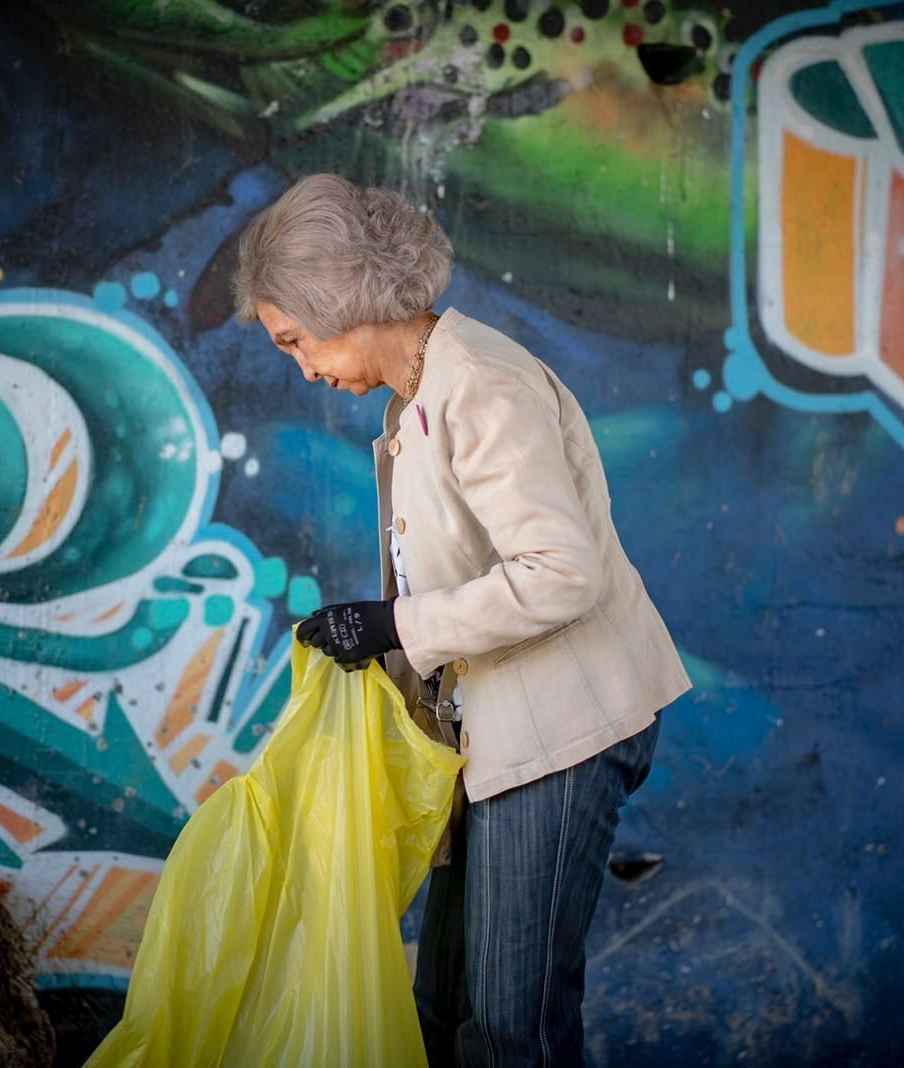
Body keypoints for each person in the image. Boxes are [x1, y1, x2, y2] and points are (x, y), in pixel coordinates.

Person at [231, 173, 691, 1067]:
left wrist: (396, 624)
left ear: (340, 301)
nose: (303, 369)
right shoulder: (422, 390)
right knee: (443, 1007)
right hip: (494, 733)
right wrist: (385, 636)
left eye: (295, 341)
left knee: (510, 1025)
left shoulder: (478, 382)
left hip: (562, 729)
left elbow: (561, 575)